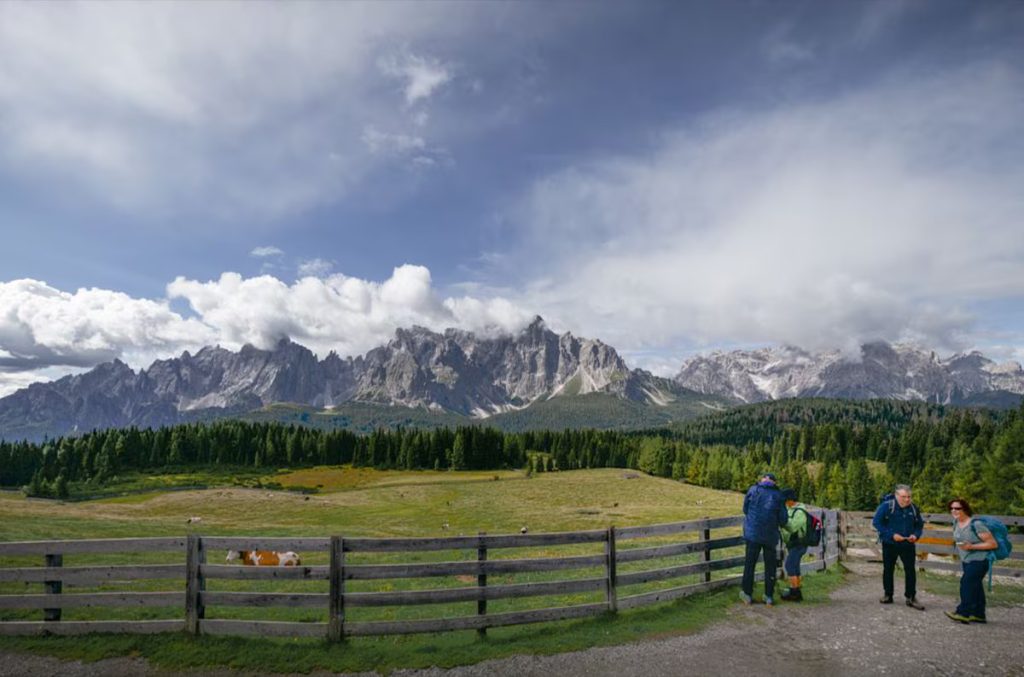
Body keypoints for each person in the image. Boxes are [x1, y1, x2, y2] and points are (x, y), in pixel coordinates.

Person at [872, 484, 925, 610]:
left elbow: (919, 525)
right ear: (896, 496)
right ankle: (888, 595)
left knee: (910, 570)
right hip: (890, 543)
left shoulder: (913, 508)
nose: (907, 499)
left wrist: (915, 535)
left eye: (909, 497)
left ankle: (911, 597)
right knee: (888, 569)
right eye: (903, 497)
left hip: (908, 544)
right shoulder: (886, 506)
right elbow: (876, 522)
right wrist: (891, 535)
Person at [945, 498, 997, 624]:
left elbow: (993, 544)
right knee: (976, 586)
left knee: (966, 583)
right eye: (952, 508)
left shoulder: (976, 524)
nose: (954, 510)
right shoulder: (956, 523)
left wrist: (972, 546)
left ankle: (963, 613)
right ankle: (979, 615)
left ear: (965, 509)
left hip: (980, 560)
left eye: (957, 508)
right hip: (967, 560)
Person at [741, 471, 788, 606]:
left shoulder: (753, 490)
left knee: (750, 564)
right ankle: (768, 596)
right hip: (770, 536)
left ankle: (747, 594)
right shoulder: (778, 495)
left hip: (752, 534)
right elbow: (783, 520)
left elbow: (745, 509)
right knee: (770, 566)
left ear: (762, 480)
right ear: (774, 481)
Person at [778, 488, 807, 602]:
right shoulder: (790, 508)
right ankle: (797, 592)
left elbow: (793, 527)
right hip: (793, 543)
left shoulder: (800, 512)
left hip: (799, 543)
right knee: (795, 566)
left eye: (785, 500)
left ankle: (794, 593)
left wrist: (782, 522)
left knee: (789, 565)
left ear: (790, 500)